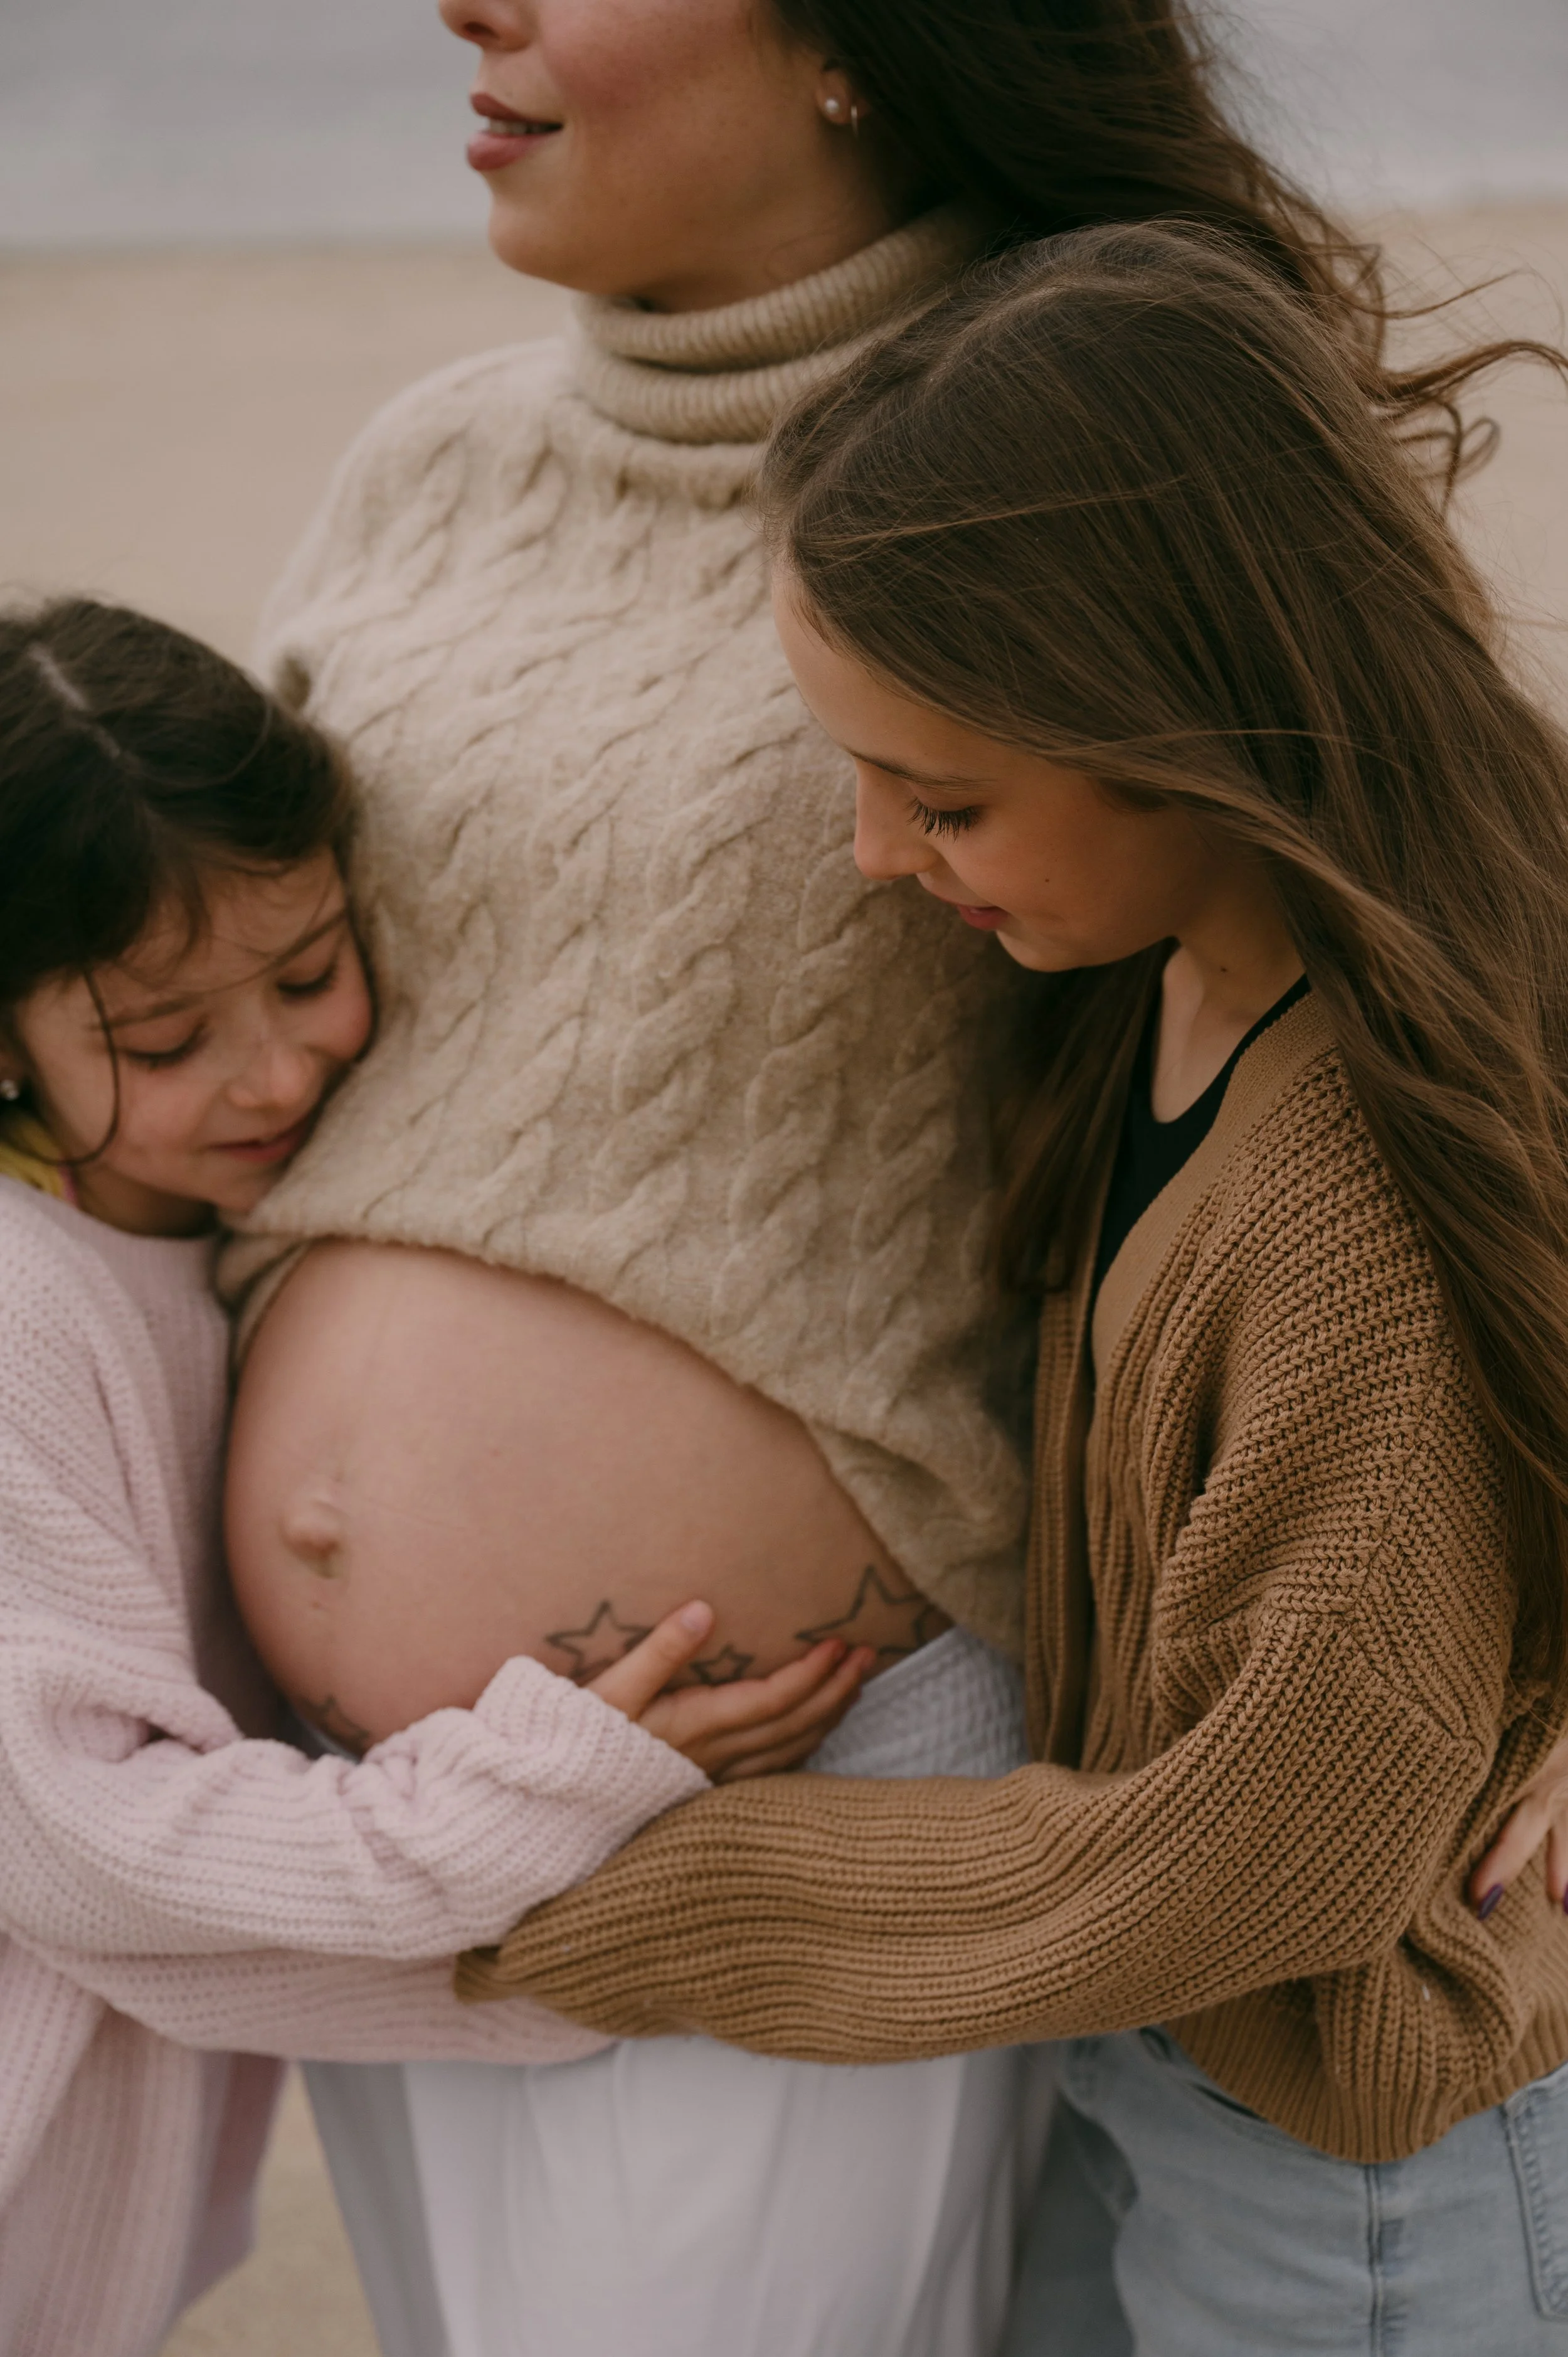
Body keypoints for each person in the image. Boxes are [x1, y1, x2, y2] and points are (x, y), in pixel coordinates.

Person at [212, 4, 1483, 2348]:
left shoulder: (1088, 453)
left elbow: (1464, 976)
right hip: (359, 1803)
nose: (465, 5)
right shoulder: (432, 463)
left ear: (852, 39)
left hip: (794, 1795)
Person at [459, 225, 1568, 2354]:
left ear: (1181, 732)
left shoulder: (1353, 1209)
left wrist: (655, 1905)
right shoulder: (1161, 981)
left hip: (1354, 2168)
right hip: (1140, 2050)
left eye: (942, 797)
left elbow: (1268, 1854)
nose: (878, 855)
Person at [0, 597, 854, 2357]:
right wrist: (533, 1798)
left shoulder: (179, 1230)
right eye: (163, 1042)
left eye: (311, 971)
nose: (280, 1065)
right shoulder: (22, 1304)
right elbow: (82, 1847)